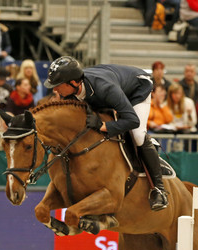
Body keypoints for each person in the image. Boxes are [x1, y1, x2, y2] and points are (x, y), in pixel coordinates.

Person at [43, 56, 168, 210]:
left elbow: (132, 120)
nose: (55, 89)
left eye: (58, 85)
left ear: (74, 83)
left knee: (137, 134)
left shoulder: (104, 88)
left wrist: (104, 126)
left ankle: (159, 190)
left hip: (137, 89)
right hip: (110, 91)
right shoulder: (71, 91)